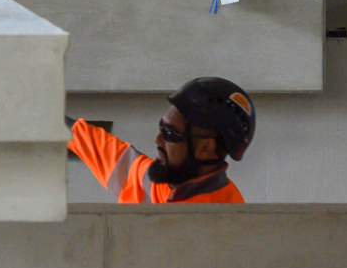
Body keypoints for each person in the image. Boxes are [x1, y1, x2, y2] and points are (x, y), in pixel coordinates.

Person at [68, 77, 256, 204]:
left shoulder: (226, 222)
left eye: (170, 134)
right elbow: (102, 150)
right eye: (161, 128)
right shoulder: (163, 181)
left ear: (205, 148)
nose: (158, 140)